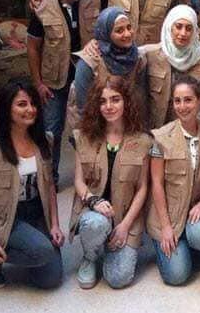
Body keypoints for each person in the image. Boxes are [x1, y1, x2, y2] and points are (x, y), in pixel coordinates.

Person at [0, 80, 64, 289]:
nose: (30, 109)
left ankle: (28, 247)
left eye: (33, 103)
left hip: (36, 211)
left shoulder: (44, 141)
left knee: (51, 279)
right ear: (6, 109)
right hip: (7, 217)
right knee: (42, 251)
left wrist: (55, 224)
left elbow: (50, 188)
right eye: (21, 104)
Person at [69, 75, 152, 289]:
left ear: (126, 102)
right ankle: (90, 256)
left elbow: (142, 188)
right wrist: (93, 200)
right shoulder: (84, 137)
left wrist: (124, 226)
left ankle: (110, 246)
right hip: (95, 213)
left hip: (125, 217)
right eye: (103, 101)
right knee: (96, 224)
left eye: (115, 99)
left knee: (118, 278)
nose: (109, 106)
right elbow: (78, 181)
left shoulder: (143, 141)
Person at [27, 0, 100, 185]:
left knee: (89, 128)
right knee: (51, 130)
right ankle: (50, 179)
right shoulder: (42, 7)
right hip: (53, 80)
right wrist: (38, 83)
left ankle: (91, 177)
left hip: (87, 77)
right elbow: (33, 47)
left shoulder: (95, 3)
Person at [147, 76, 200, 285]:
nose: (182, 106)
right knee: (177, 276)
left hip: (196, 210)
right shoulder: (160, 137)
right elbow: (156, 184)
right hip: (169, 214)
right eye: (177, 101)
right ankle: (167, 244)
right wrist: (165, 227)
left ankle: (191, 243)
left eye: (188, 100)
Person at [71, 6, 147, 127]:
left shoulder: (137, 58)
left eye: (129, 27)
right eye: (119, 31)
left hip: (128, 124)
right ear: (106, 34)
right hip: (94, 125)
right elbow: (83, 107)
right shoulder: (89, 62)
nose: (127, 34)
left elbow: (140, 99)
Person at [144, 5, 200, 129]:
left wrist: (191, 131)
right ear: (169, 27)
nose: (183, 33)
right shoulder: (150, 54)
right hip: (156, 129)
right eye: (178, 27)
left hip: (192, 129)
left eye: (189, 28)